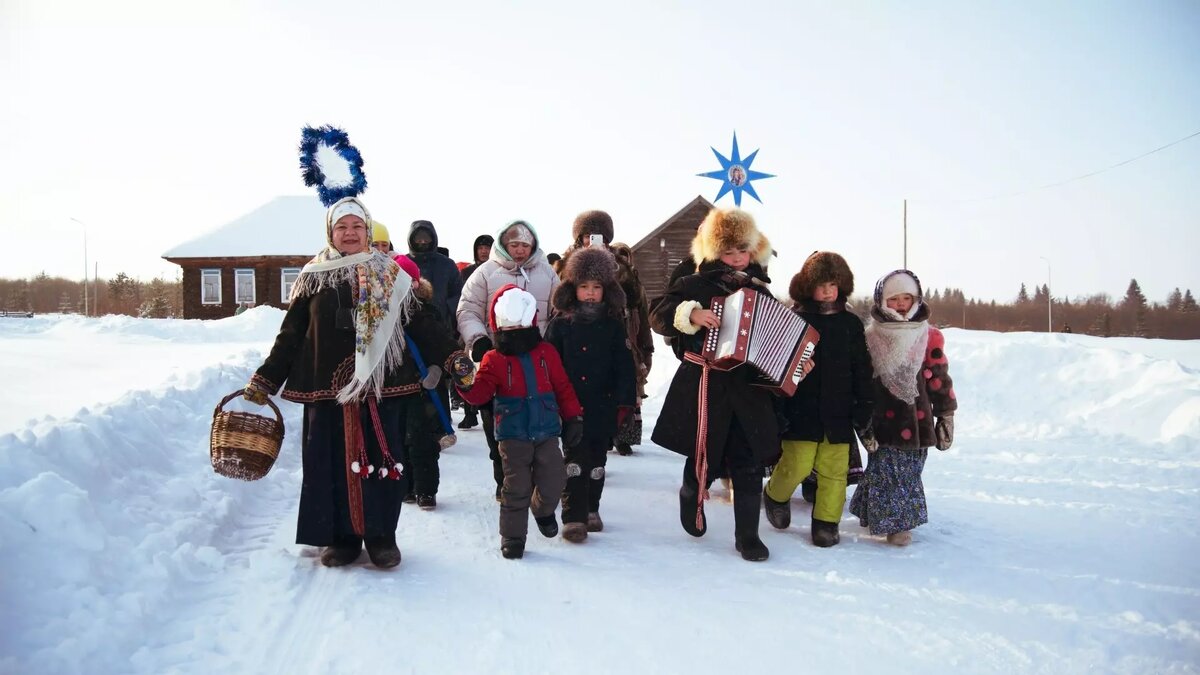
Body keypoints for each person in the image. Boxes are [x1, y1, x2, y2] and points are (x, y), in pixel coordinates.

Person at [243, 196, 470, 568]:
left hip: (382, 386)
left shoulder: (390, 273)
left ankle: (382, 538)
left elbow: (419, 321)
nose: (350, 233)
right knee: (330, 463)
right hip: (326, 388)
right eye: (342, 227)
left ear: (368, 231)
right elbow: (292, 334)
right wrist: (266, 378)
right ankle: (341, 539)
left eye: (357, 227)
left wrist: (452, 355)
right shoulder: (314, 275)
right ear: (330, 232)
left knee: (383, 459)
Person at [648, 207, 778, 562]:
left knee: (748, 461)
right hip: (705, 384)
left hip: (747, 390)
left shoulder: (761, 291)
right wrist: (690, 314)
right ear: (713, 252)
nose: (736, 258)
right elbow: (658, 313)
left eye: (742, 251)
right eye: (727, 251)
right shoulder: (693, 284)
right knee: (703, 453)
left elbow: (777, 338)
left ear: (753, 251)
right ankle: (692, 490)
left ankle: (748, 536)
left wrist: (798, 360)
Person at [457, 286, 583, 559]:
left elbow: (562, 387)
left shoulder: (546, 353)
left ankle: (542, 509)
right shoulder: (493, 358)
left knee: (555, 478)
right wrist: (465, 382)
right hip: (513, 434)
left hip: (547, 430)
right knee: (516, 487)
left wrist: (573, 417)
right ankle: (513, 537)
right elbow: (480, 394)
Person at [762, 252, 875, 547]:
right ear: (807, 286)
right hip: (802, 410)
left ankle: (826, 523)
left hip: (838, 413)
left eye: (833, 284)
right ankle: (775, 495)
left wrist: (864, 405)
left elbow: (862, 368)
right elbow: (777, 366)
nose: (828, 290)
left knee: (834, 472)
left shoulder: (851, 324)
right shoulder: (794, 320)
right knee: (797, 464)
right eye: (821, 284)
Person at [849, 270, 957, 546]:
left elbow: (939, 378)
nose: (900, 304)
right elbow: (862, 382)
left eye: (906, 298)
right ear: (882, 301)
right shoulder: (870, 338)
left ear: (916, 300)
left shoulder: (929, 337)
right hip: (882, 419)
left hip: (917, 419)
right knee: (888, 469)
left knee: (909, 469)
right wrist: (862, 421)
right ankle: (898, 525)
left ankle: (873, 510)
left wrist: (945, 413)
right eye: (893, 298)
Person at [457, 221, 560, 501]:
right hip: (497, 359)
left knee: (538, 421)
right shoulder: (485, 273)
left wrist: (551, 343)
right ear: (503, 244)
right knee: (498, 424)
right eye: (514, 245)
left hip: (535, 361)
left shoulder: (547, 273)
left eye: (524, 246)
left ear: (533, 246)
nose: (519, 251)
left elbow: (558, 311)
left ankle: (537, 480)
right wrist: (478, 340)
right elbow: (467, 309)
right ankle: (505, 480)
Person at [545, 247, 636, 542]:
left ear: (606, 290)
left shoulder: (612, 325)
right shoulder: (560, 325)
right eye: (584, 286)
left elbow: (625, 365)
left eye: (596, 287)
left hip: (603, 404)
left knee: (597, 460)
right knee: (574, 458)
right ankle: (573, 516)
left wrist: (625, 401)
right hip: (570, 405)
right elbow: (548, 364)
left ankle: (592, 508)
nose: (590, 293)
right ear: (573, 289)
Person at [557, 211, 654, 456]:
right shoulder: (567, 262)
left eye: (598, 235)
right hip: (578, 336)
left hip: (616, 332)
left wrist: (645, 344)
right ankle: (577, 443)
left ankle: (617, 436)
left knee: (617, 383)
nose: (593, 240)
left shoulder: (621, 265)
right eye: (588, 235)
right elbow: (560, 299)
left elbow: (637, 302)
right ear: (580, 237)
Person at [455, 234, 495, 430]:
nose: (484, 250)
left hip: (493, 324)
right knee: (468, 370)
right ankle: (470, 412)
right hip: (471, 324)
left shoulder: (497, 270)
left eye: (488, 247)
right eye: (480, 247)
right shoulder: (468, 272)